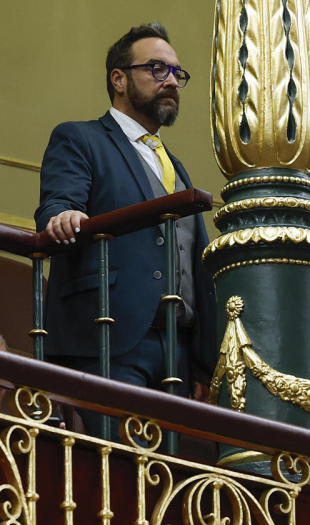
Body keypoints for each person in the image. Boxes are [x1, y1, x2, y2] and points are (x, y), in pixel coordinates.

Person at [34, 22, 218, 436]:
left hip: (177, 349)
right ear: (118, 79)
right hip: (109, 334)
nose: (170, 80)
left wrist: (203, 359)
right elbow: (59, 202)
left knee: (165, 478)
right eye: (157, 69)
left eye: (176, 73)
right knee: (118, 468)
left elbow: (193, 256)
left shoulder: (175, 165)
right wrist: (62, 215)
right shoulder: (80, 138)